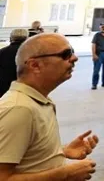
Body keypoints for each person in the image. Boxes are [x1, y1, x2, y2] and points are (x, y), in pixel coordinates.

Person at [0, 33, 98, 180]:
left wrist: (61, 151)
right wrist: (67, 173)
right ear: (35, 65)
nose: (74, 58)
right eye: (66, 54)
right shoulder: (19, 109)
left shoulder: (39, 101)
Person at [0, 29, 29, 97]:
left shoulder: (2, 52)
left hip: (3, 88)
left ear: (11, 38)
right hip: (24, 89)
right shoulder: (31, 53)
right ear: (27, 38)